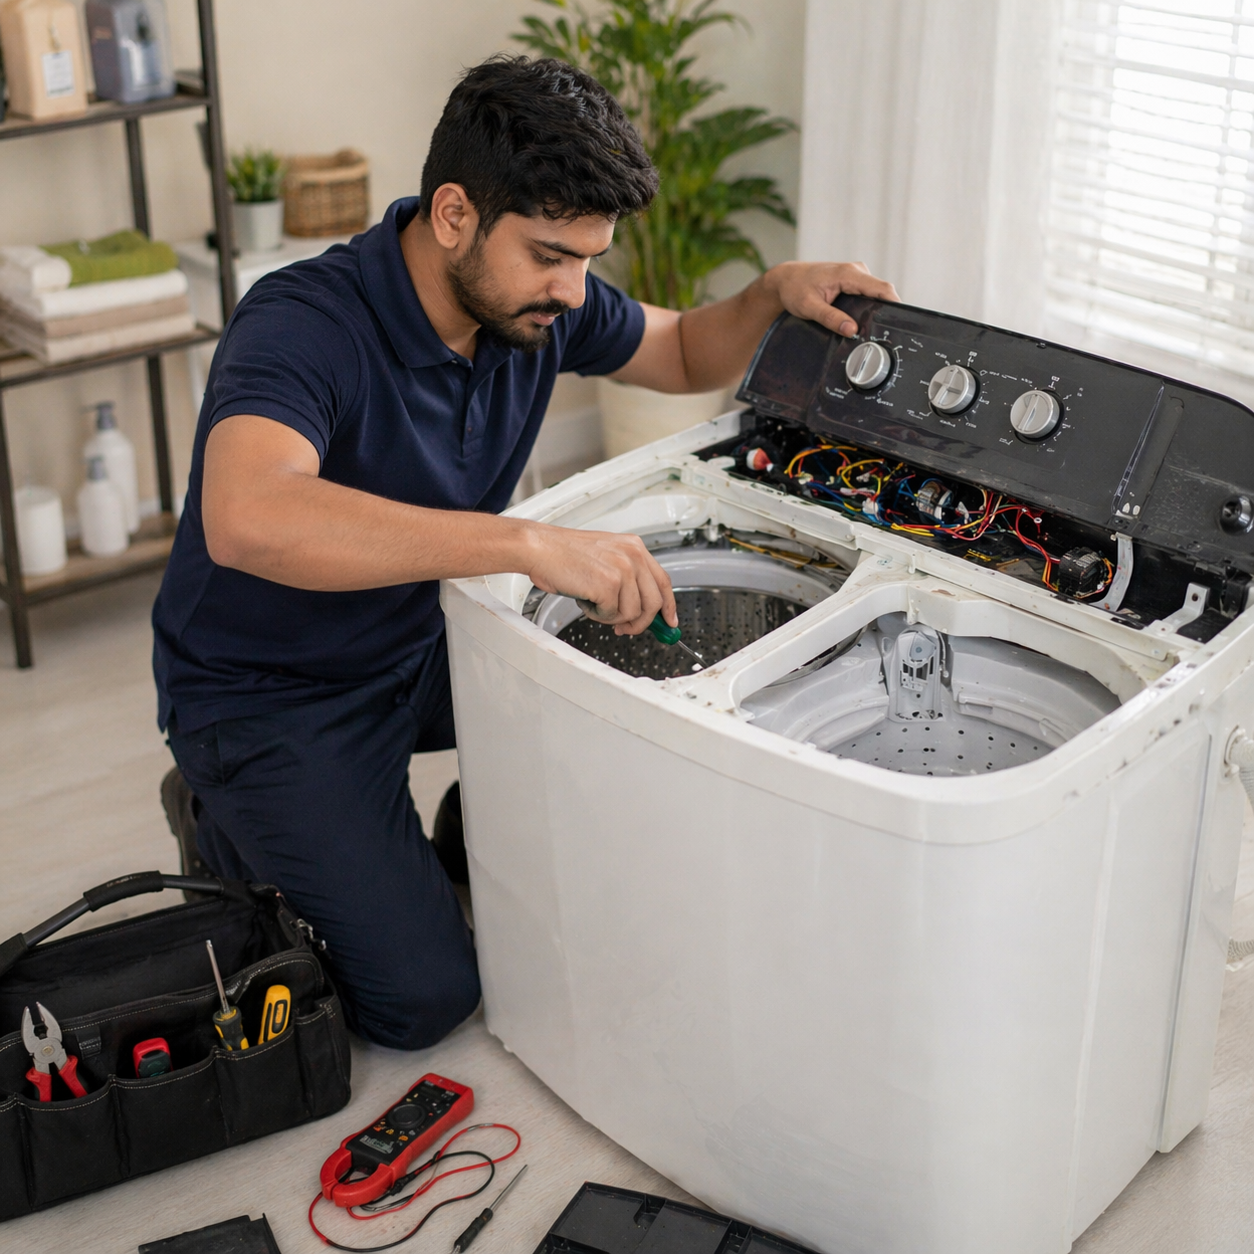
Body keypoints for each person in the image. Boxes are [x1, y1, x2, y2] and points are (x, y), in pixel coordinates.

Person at [153, 54, 897, 1050]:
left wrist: (770, 292)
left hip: (418, 642)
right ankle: (221, 817)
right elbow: (248, 516)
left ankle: (461, 827)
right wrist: (528, 543)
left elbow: (682, 351)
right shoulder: (303, 322)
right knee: (423, 1002)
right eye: (552, 255)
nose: (574, 289)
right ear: (454, 214)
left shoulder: (532, 301)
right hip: (272, 694)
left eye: (588, 258)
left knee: (636, 677)